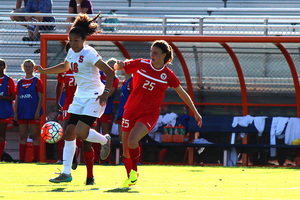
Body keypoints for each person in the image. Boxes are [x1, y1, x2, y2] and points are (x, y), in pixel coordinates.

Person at [34, 12, 115, 183]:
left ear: (83, 40)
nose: (73, 43)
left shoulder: (90, 53)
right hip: (79, 97)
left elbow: (110, 72)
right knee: (69, 132)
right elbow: (64, 66)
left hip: (94, 96)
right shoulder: (71, 52)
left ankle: (103, 140)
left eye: (77, 40)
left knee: (80, 132)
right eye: (71, 40)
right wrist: (44, 70)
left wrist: (106, 92)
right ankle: (66, 173)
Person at [114, 40, 203, 188]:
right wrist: (117, 65)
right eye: (151, 52)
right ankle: (130, 178)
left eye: (155, 53)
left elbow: (182, 94)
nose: (152, 55)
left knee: (132, 140)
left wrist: (195, 112)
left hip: (149, 114)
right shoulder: (141, 64)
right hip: (130, 111)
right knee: (125, 148)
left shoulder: (168, 75)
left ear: (164, 55)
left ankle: (134, 173)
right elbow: (121, 66)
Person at [55, 42, 96, 185]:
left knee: (86, 142)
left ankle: (90, 176)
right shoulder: (65, 68)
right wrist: (57, 101)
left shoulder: (88, 65)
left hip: (87, 104)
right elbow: (59, 84)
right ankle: (68, 166)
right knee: (68, 133)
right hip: (70, 105)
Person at [14, 59, 43, 163]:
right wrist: (16, 112)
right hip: (22, 112)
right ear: (23, 68)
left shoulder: (37, 81)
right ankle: (21, 159)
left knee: (35, 136)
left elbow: (40, 97)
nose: (27, 68)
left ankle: (36, 159)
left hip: (33, 112)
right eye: (26, 66)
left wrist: (37, 111)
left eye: (30, 66)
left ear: (33, 68)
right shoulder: (20, 82)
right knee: (22, 136)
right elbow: (17, 98)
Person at [93, 58, 119, 164]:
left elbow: (110, 93)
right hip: (94, 107)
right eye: (109, 66)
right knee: (94, 133)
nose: (111, 68)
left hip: (106, 109)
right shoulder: (98, 74)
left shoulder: (115, 79)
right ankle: (94, 159)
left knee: (105, 135)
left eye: (113, 67)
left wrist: (100, 94)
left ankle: (105, 159)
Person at [0, 59, 16, 161]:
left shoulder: (8, 80)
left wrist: (3, 98)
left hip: (4, 111)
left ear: (4, 67)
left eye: (1, 65)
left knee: (1, 136)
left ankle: (0, 156)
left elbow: (14, 96)